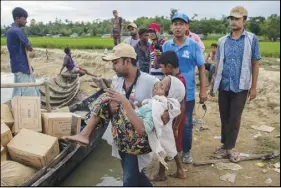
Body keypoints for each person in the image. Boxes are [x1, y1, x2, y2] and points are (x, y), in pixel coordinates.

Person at [62, 43, 160, 186]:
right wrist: (112, 108)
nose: (113, 67)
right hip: (120, 137)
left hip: (136, 142)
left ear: (127, 61)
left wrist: (131, 106)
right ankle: (85, 133)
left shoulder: (151, 82)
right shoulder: (117, 81)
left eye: (115, 62)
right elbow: (113, 109)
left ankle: (85, 134)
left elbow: (157, 111)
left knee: (128, 180)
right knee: (136, 176)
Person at [213, 6, 261, 162]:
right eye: (232, 19)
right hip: (224, 84)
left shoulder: (252, 39)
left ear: (244, 20)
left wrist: (253, 87)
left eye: (237, 19)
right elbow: (218, 62)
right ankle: (224, 145)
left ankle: (229, 148)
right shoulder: (222, 41)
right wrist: (213, 83)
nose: (233, 22)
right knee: (224, 117)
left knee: (234, 118)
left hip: (241, 86)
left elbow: (255, 63)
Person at [162, 12, 207, 164]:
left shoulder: (193, 46)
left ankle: (186, 151)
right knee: (169, 123)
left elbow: (201, 68)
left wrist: (203, 90)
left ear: (187, 27)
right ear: (172, 27)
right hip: (169, 94)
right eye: (175, 24)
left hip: (187, 94)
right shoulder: (166, 45)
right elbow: (163, 68)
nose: (178, 27)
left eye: (181, 24)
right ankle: (172, 151)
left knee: (186, 124)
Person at [149, 51, 187, 181]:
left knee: (164, 143)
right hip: (177, 117)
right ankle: (180, 170)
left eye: (162, 67)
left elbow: (160, 98)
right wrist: (177, 125)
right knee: (171, 143)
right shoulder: (181, 79)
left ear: (169, 66)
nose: (161, 69)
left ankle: (161, 173)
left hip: (170, 117)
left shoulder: (168, 80)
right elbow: (182, 104)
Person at [6, 7, 39, 97]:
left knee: (18, 90)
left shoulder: (10, 31)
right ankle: (31, 109)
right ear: (17, 19)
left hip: (16, 65)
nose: (26, 21)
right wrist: (29, 46)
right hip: (22, 66)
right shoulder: (18, 31)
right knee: (30, 93)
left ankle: (14, 107)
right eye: (24, 19)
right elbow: (29, 47)